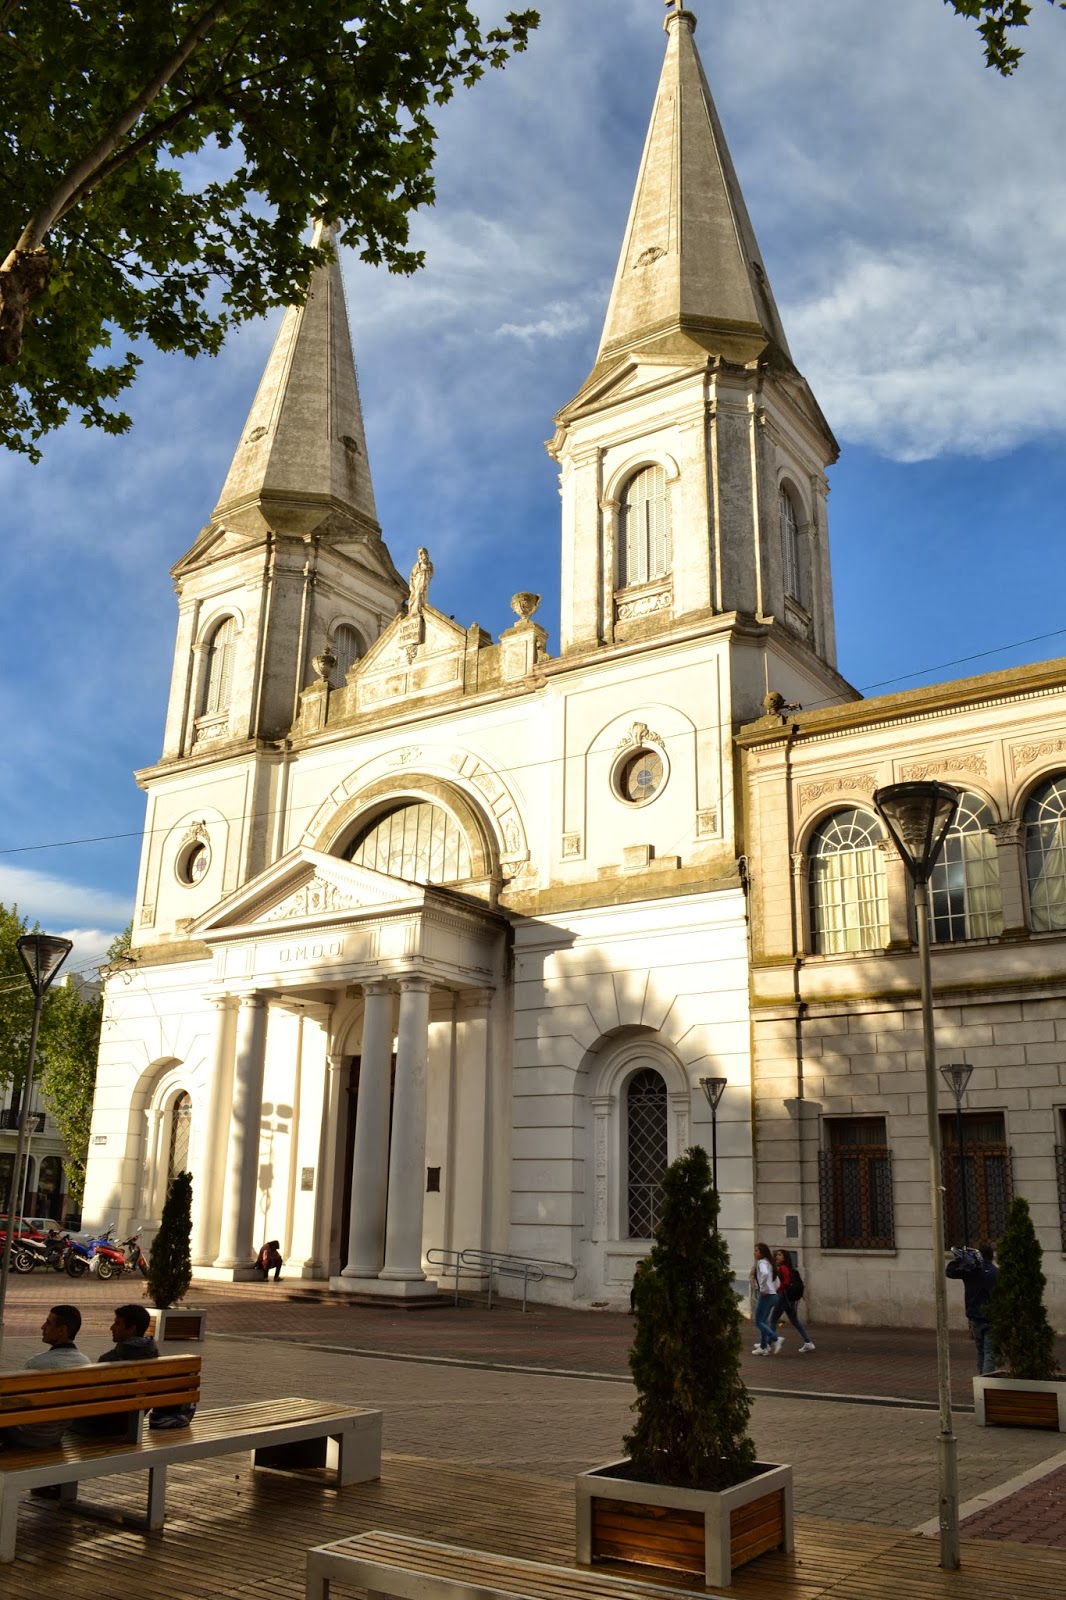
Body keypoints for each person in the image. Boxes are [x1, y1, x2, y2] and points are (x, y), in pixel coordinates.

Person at [0, 1305, 90, 1449]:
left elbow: (14, 1403)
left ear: (62, 1330)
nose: (43, 1327)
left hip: (23, 1435)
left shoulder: (38, 1364)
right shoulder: (85, 1363)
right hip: (55, 1435)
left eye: (48, 1323)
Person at [946, 1242, 999, 1375]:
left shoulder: (971, 1271)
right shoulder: (995, 1272)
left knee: (981, 1350)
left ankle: (982, 1377)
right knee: (989, 1352)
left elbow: (949, 1272)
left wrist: (959, 1259)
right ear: (992, 1256)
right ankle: (986, 1381)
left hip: (975, 1316)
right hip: (992, 1317)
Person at [769, 1248, 816, 1352]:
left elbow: (786, 1282)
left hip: (783, 1298)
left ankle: (767, 1345)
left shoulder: (783, 1268)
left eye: (780, 1255)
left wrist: (778, 1290)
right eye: (777, 1255)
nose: (777, 1256)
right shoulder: (787, 1268)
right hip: (789, 1298)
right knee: (795, 1321)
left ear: (784, 1258)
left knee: (773, 1320)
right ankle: (808, 1342)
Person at [752, 1242, 781, 1355]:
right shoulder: (770, 1263)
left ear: (762, 1252)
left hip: (767, 1295)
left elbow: (764, 1274)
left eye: (756, 1250)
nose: (754, 1253)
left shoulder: (762, 1262)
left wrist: (763, 1288)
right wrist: (773, 1289)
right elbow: (777, 1281)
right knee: (764, 1321)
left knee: (758, 1321)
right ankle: (764, 1347)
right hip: (773, 1295)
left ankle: (775, 1339)